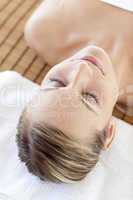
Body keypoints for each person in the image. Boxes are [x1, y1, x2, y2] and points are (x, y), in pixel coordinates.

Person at [16, 0, 133, 183]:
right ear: (109, 133)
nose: (81, 70)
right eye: (89, 97)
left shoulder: (44, 29)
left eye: (57, 83)